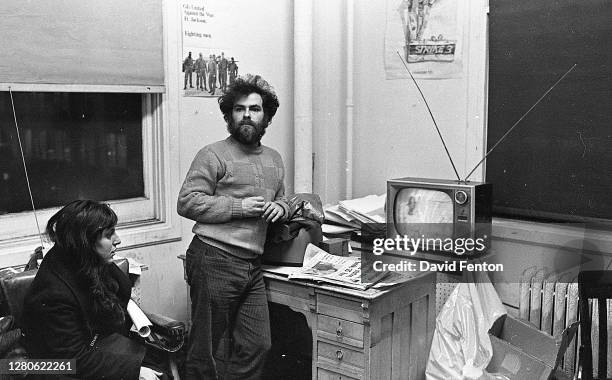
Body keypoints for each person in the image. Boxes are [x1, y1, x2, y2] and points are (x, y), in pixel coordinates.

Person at [177, 74, 290, 379]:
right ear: (229, 116)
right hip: (214, 259)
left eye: (254, 109)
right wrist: (240, 208)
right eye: (239, 109)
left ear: (265, 116)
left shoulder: (275, 159)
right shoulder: (213, 154)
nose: (247, 116)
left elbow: (283, 201)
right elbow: (187, 202)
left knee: (258, 345)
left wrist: (280, 207)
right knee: (205, 350)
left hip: (252, 266)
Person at [22, 200, 168, 380]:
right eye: (109, 234)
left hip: (96, 345)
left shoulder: (82, 258)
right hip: (56, 366)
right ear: (84, 242)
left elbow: (118, 297)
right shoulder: (54, 293)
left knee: (159, 371)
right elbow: (71, 360)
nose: (118, 240)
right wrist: (133, 371)